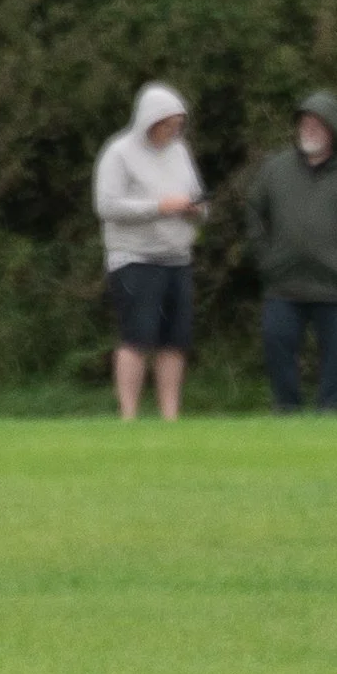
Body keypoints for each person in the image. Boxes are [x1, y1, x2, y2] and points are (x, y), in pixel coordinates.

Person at [244, 91, 337, 414]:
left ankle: (334, 416)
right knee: (278, 348)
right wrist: (266, 258)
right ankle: (286, 411)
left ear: (334, 129)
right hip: (284, 286)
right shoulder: (275, 169)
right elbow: (253, 210)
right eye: (304, 123)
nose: (308, 130)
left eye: (317, 124)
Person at [91, 82, 206, 421]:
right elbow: (107, 206)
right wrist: (159, 207)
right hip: (135, 259)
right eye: (167, 124)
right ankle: (129, 415)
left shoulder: (180, 152)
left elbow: (197, 196)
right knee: (137, 337)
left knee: (175, 341)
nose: (173, 131)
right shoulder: (119, 152)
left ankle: (170, 415)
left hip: (177, 258)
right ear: (149, 120)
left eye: (177, 125)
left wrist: (195, 210)